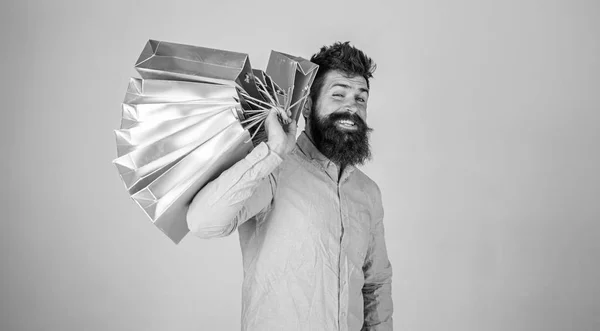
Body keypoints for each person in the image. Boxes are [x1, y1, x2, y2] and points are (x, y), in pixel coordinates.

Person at [187, 41, 393, 331]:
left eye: (361, 99)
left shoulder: (368, 192)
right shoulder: (273, 169)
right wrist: (272, 152)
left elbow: (375, 284)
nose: (352, 107)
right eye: (338, 95)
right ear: (307, 105)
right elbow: (201, 223)